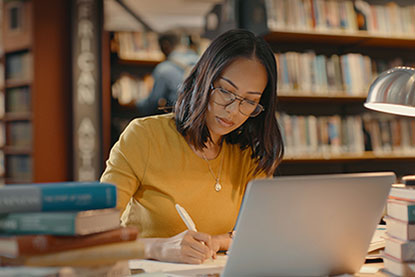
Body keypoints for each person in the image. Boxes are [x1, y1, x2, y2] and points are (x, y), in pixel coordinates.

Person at [101, 29, 284, 264]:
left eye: (249, 101)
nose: (233, 110)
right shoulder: (144, 136)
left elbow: (260, 233)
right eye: (226, 91)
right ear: (203, 79)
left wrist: (218, 242)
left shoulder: (249, 153)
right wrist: (158, 247)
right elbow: (96, 233)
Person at [136, 31, 199, 116]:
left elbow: (152, 103)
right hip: (200, 117)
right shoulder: (201, 60)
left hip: (180, 118)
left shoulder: (164, 69)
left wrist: (138, 103)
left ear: (165, 45)